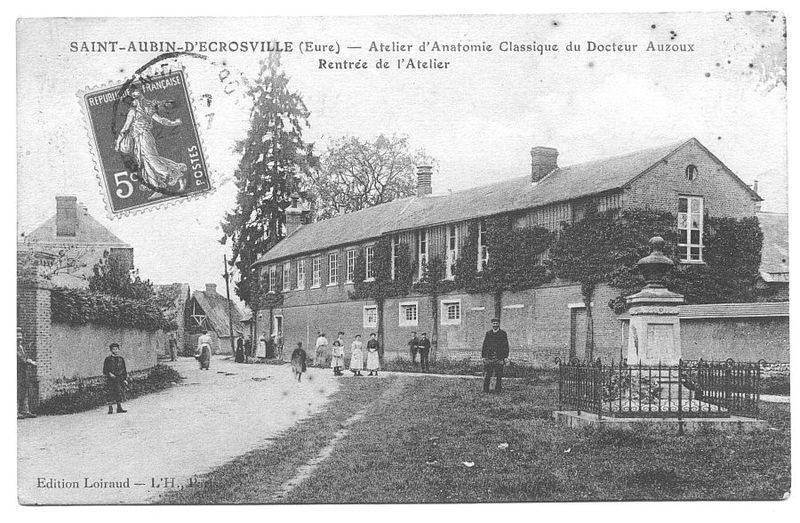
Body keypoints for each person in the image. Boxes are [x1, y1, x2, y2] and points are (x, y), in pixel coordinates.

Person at [114, 84, 187, 194]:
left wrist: (118, 143)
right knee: (146, 162)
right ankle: (156, 185)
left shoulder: (135, 111)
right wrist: (174, 123)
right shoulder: (145, 108)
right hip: (140, 139)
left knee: (151, 160)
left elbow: (124, 129)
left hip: (144, 137)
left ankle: (171, 173)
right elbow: (161, 120)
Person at [481, 318, 510, 393]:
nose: (495, 325)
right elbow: (485, 345)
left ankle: (498, 390)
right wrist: (484, 357)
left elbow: (505, 346)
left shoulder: (503, 334)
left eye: (496, 323)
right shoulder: (488, 333)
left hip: (499, 358)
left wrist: (505, 357)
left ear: (499, 324)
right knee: (488, 374)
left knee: (499, 375)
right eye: (493, 323)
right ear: (492, 324)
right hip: (490, 357)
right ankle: (485, 390)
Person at [17, 328, 37, 419]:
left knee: (24, 390)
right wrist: (29, 361)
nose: (19, 338)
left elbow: (25, 357)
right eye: (17, 336)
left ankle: (24, 410)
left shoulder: (21, 347)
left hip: (23, 372)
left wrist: (29, 360)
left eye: (20, 336)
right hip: (17, 372)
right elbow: (20, 358)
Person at [103, 343, 128, 414]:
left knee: (119, 392)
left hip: (119, 378)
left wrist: (125, 379)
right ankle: (110, 409)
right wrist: (110, 374)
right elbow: (105, 370)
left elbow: (124, 369)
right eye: (113, 349)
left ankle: (119, 408)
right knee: (110, 393)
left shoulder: (121, 359)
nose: (115, 350)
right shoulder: (108, 359)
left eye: (116, 349)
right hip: (111, 379)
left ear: (119, 350)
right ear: (111, 350)